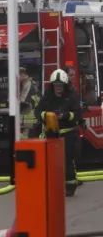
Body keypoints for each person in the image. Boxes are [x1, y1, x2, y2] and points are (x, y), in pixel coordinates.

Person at [34, 69, 81, 197]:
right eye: (56, 85)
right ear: (52, 84)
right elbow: (37, 111)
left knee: (67, 160)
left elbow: (78, 113)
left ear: (65, 85)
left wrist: (65, 115)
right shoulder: (47, 96)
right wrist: (47, 116)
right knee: (51, 161)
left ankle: (70, 185)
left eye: (61, 85)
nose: (58, 87)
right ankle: (53, 185)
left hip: (68, 134)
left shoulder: (71, 96)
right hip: (51, 133)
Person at [18, 66, 40, 138]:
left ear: (23, 74)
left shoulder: (28, 85)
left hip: (29, 122)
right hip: (32, 121)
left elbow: (22, 103)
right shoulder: (30, 83)